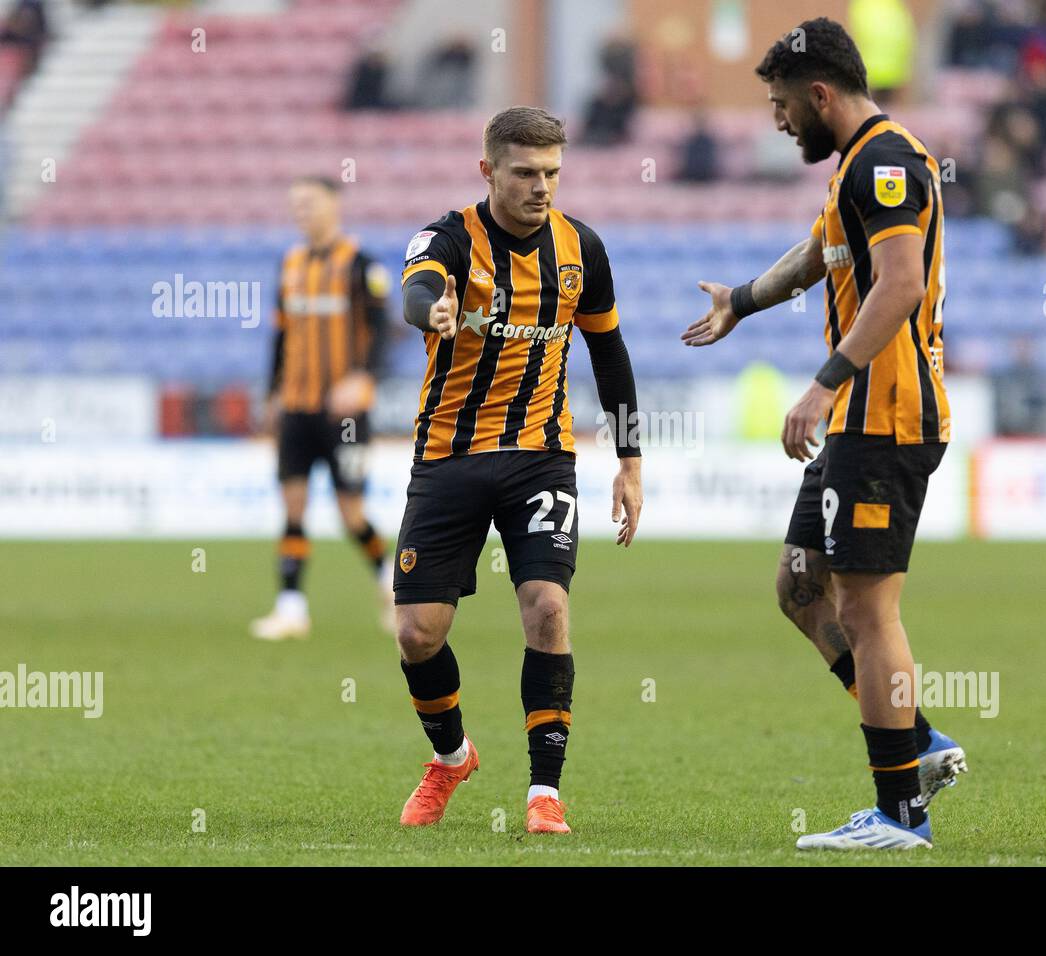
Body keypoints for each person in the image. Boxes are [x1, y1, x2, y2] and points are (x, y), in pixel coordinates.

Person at [683, 18, 964, 850]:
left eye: (779, 104)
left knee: (869, 612)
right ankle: (916, 743)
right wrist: (743, 298)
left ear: (819, 94)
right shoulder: (856, 168)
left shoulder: (884, 163)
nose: (776, 121)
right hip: (859, 422)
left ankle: (900, 814)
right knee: (800, 587)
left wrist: (823, 384)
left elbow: (903, 283)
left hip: (884, 417)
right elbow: (819, 258)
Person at [393, 106, 643, 834]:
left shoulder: (581, 249)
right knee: (417, 634)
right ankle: (450, 758)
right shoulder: (447, 237)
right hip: (449, 456)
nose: (542, 187)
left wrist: (630, 459)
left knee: (548, 608)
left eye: (553, 173)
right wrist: (428, 313)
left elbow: (610, 355)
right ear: (488, 172)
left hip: (541, 457)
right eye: (526, 173)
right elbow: (415, 287)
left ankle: (544, 793)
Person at [251, 177, 394, 640]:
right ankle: (291, 607)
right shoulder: (290, 264)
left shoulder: (361, 265)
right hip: (296, 405)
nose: (302, 211)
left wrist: (363, 377)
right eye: (295, 204)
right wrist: (272, 393)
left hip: (345, 413)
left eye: (310, 202)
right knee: (292, 505)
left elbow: (382, 330)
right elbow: (280, 335)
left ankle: (389, 577)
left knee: (350, 512)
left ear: (334, 205)